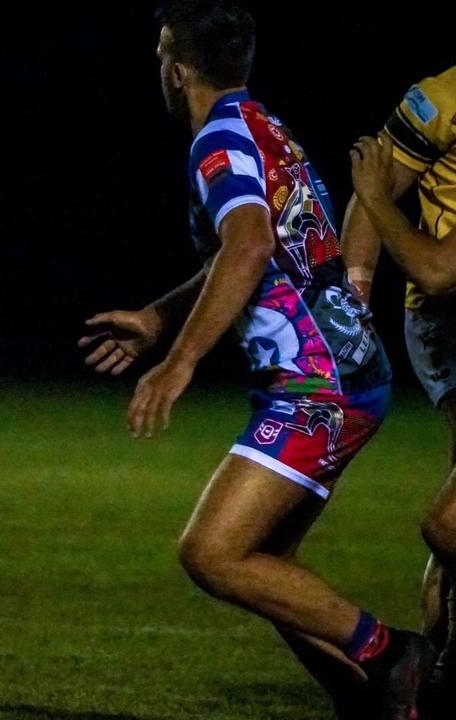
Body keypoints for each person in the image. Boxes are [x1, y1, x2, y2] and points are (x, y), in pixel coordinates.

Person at [81, 3, 429, 717]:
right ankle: (369, 698)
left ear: (178, 71)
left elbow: (248, 246)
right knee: (264, 563)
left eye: (159, 56)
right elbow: (245, 251)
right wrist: (158, 317)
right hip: (347, 370)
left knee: (212, 554)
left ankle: (394, 656)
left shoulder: (218, 145)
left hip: (317, 386)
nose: (158, 69)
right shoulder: (264, 127)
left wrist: (179, 363)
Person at [344, 64, 456, 715]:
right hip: (446, 327)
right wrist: (353, 298)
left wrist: (379, 198)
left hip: (443, 289)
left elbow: (437, 268)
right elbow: (373, 183)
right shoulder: (440, 97)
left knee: (447, 525)